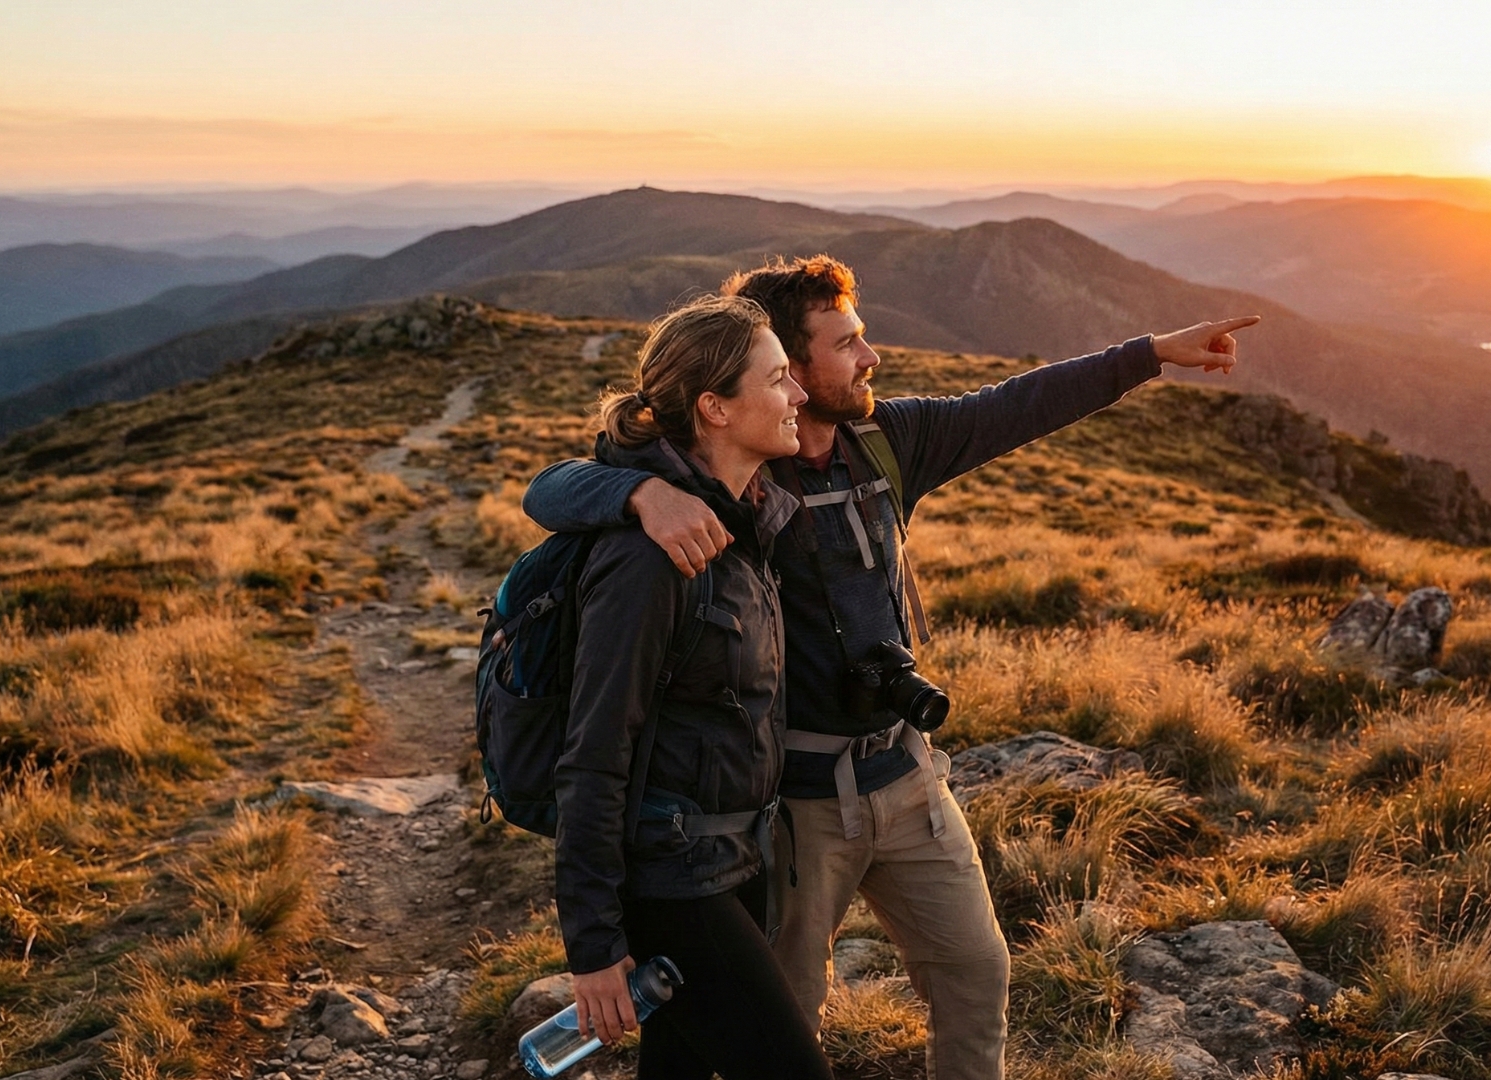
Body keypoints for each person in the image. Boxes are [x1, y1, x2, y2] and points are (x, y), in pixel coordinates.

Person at [528, 256, 1257, 1080]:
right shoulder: (736, 481)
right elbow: (563, 484)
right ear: (787, 371)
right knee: (780, 1023)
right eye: (844, 345)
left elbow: (1015, 405)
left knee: (976, 973)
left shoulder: (885, 445)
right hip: (790, 810)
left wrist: (1153, 353)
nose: (870, 358)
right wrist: (638, 498)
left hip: (906, 772)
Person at [552, 293, 831, 1080]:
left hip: (737, 858)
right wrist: (595, 947)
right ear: (714, 407)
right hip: (675, 882)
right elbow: (595, 752)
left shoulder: (748, 521)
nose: (799, 395)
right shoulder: (649, 560)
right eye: (778, 379)